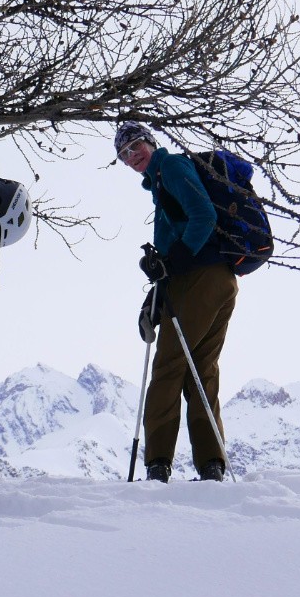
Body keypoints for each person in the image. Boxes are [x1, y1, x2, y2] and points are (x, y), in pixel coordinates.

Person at [116, 120, 237, 483]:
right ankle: (211, 464)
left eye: (136, 146)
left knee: (169, 365)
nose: (132, 156)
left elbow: (204, 215)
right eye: (124, 154)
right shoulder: (161, 181)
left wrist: (174, 262)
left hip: (200, 278)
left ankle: (158, 464)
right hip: (218, 279)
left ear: (151, 142)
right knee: (201, 369)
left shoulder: (171, 167)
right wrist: (158, 288)